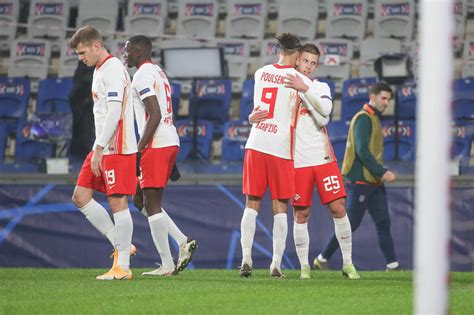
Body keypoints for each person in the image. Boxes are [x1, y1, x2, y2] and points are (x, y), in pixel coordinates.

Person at [250, 44, 360, 280]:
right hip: (296, 161)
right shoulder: (283, 86)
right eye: (305, 61)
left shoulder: (319, 86)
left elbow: (325, 114)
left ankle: (348, 264)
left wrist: (305, 90)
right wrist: (252, 117)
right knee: (302, 214)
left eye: (313, 63)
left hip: (322, 158)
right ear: (297, 61)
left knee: (338, 208)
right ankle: (304, 268)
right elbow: (266, 112)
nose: (308, 66)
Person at [240, 32, 313, 278]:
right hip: (280, 147)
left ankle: (246, 259)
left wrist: (250, 118)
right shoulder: (298, 77)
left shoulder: (260, 73)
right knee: (280, 206)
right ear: (296, 54)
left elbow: (257, 110)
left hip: (256, 141)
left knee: (252, 204)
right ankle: (276, 265)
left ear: (278, 50)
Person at [125, 35, 197, 276]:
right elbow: (166, 110)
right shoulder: (158, 71)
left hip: (155, 144)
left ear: (139, 51)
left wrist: (138, 149)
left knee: (152, 205)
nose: (124, 55)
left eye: (127, 51)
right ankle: (182, 240)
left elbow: (154, 114)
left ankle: (167, 265)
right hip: (168, 140)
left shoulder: (142, 75)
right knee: (139, 200)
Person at [69, 26, 137, 280]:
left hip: (116, 147)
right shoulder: (100, 69)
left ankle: (123, 267)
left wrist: (98, 148)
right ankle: (122, 245)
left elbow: (115, 112)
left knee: (117, 203)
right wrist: (98, 147)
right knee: (80, 196)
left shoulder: (113, 69)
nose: (80, 58)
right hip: (102, 146)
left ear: (96, 46)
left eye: (83, 52)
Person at [314, 82, 400, 271]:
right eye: (383, 98)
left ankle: (393, 265)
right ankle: (322, 258)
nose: (386, 102)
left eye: (388, 99)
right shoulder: (363, 118)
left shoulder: (373, 118)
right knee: (350, 223)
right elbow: (362, 151)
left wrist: (378, 173)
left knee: (383, 223)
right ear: (373, 97)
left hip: (373, 182)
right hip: (361, 181)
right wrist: (382, 171)